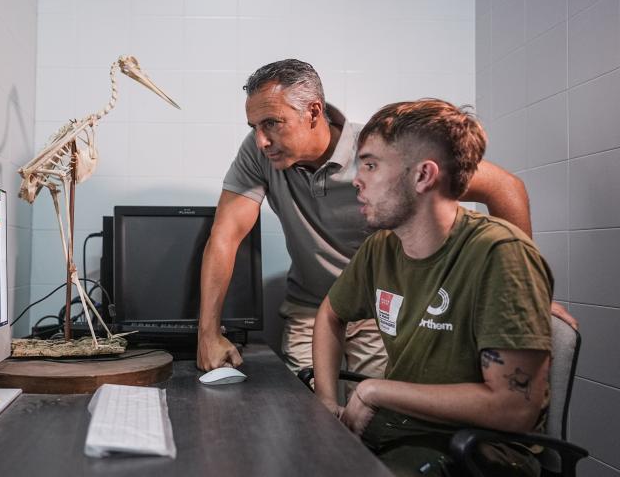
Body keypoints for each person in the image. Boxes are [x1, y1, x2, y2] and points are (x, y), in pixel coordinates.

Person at [195, 59, 574, 374]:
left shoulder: (381, 148)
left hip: (384, 308)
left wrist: (528, 293)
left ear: (313, 112)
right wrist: (207, 333)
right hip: (312, 306)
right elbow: (226, 234)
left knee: (376, 419)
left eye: (272, 124)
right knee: (303, 414)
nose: (261, 140)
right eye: (254, 127)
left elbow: (504, 187)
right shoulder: (260, 152)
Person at [311, 99, 552, 476]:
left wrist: (376, 390)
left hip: (475, 448)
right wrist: (326, 400)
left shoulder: (500, 254)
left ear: (423, 176)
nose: (357, 179)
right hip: (398, 430)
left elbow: (514, 408)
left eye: (371, 165)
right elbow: (330, 314)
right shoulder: (382, 247)